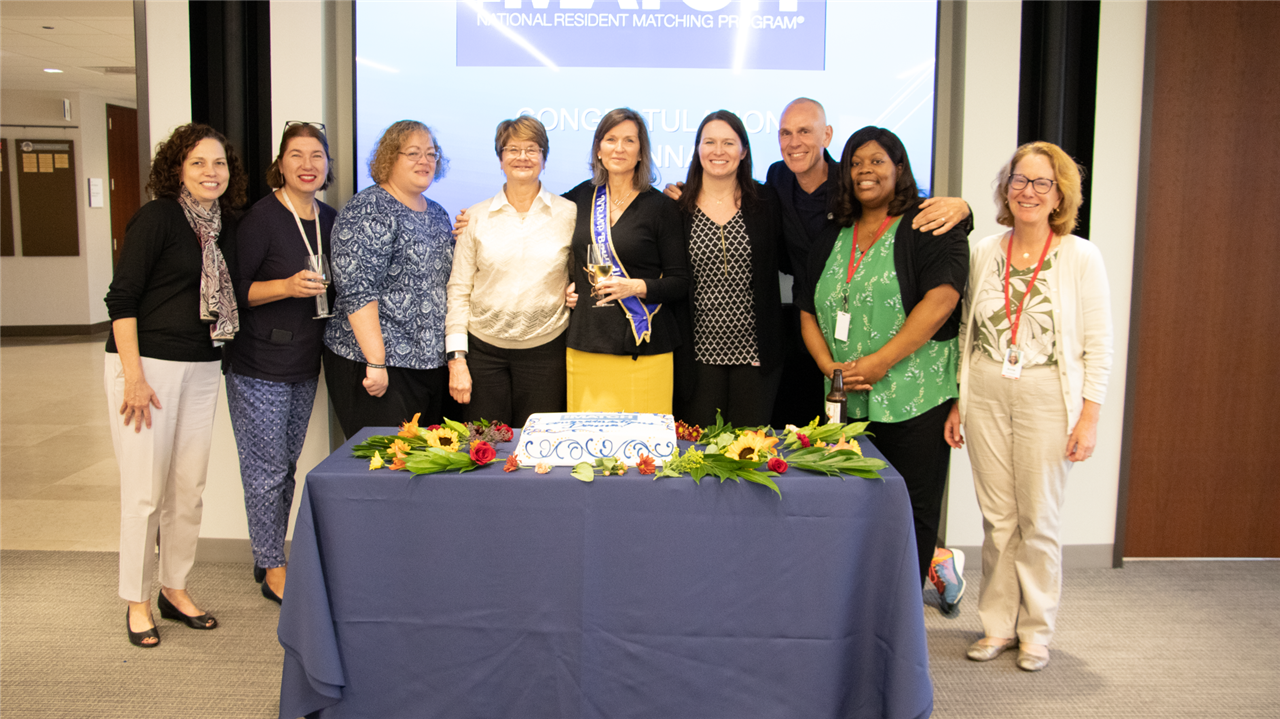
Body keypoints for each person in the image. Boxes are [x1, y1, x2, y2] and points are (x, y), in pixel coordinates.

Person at [944, 141, 1113, 672]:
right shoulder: (984, 252)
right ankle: (997, 626)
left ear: (1060, 194)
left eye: (1042, 183)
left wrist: (1089, 417)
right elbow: (965, 333)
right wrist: (958, 401)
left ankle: (1036, 631)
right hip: (986, 390)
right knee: (998, 519)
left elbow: (1099, 345)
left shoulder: (1080, 256)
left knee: (1039, 518)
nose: (1029, 191)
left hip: (1047, 394)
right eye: (1020, 180)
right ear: (1006, 187)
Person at [796, 126, 969, 587]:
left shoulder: (926, 224)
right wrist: (826, 366)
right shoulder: (834, 233)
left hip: (913, 398)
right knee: (853, 507)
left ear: (899, 167)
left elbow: (942, 299)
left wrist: (881, 362)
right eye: (855, 163)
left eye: (876, 161)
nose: (864, 171)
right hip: (846, 400)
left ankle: (902, 611)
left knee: (909, 510)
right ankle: (859, 603)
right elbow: (806, 308)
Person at [104, 122, 246, 647]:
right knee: (145, 493)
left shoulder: (223, 226)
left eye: (219, 163)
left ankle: (174, 588)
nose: (211, 172)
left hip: (203, 365)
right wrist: (134, 378)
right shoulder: (159, 217)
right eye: (198, 163)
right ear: (177, 170)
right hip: (147, 368)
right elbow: (122, 298)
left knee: (188, 490)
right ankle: (137, 602)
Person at [225, 121, 337, 605]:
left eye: (316, 156)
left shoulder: (329, 218)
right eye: (297, 155)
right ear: (281, 164)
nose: (307, 165)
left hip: (304, 361)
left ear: (327, 164)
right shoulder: (261, 219)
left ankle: (268, 551)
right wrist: (287, 287)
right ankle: (273, 566)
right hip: (259, 363)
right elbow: (233, 292)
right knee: (266, 470)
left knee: (285, 467)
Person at [323, 120, 454, 437]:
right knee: (385, 461)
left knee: (426, 461)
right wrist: (376, 361)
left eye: (431, 153)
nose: (424, 161)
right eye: (413, 153)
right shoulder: (368, 209)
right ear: (389, 158)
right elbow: (356, 290)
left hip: (429, 366)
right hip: (378, 366)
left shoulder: (437, 213)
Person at [445, 117, 575, 426]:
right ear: (500, 159)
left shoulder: (569, 213)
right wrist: (456, 359)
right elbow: (459, 290)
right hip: (483, 354)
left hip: (546, 352)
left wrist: (576, 289)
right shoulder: (475, 217)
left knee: (539, 446)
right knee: (485, 446)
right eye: (512, 149)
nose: (522, 157)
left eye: (532, 149)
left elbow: (583, 271)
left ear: (544, 159)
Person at [562, 108, 690, 413]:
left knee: (644, 442)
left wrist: (634, 287)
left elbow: (680, 282)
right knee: (587, 440)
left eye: (629, 141)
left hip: (644, 347)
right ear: (598, 149)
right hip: (587, 344)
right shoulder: (577, 199)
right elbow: (539, 229)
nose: (619, 148)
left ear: (641, 152)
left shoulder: (661, 207)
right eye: (611, 139)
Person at [672, 110, 785, 427]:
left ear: (744, 150)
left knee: (750, 450)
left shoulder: (766, 200)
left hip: (756, 354)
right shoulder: (678, 206)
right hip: (698, 355)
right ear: (698, 149)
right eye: (709, 142)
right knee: (699, 449)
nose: (718, 151)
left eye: (728, 143)